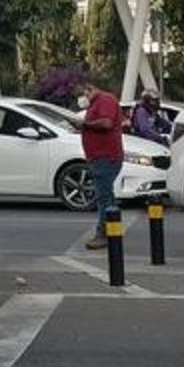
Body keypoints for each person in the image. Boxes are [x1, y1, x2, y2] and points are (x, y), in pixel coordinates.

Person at [77, 81, 124, 250]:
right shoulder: (96, 103)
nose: (83, 97)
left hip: (105, 157)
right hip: (99, 157)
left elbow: (106, 123)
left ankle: (103, 234)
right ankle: (112, 229)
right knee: (107, 196)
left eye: (83, 93)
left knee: (104, 197)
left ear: (90, 88)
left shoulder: (105, 100)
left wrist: (85, 124)